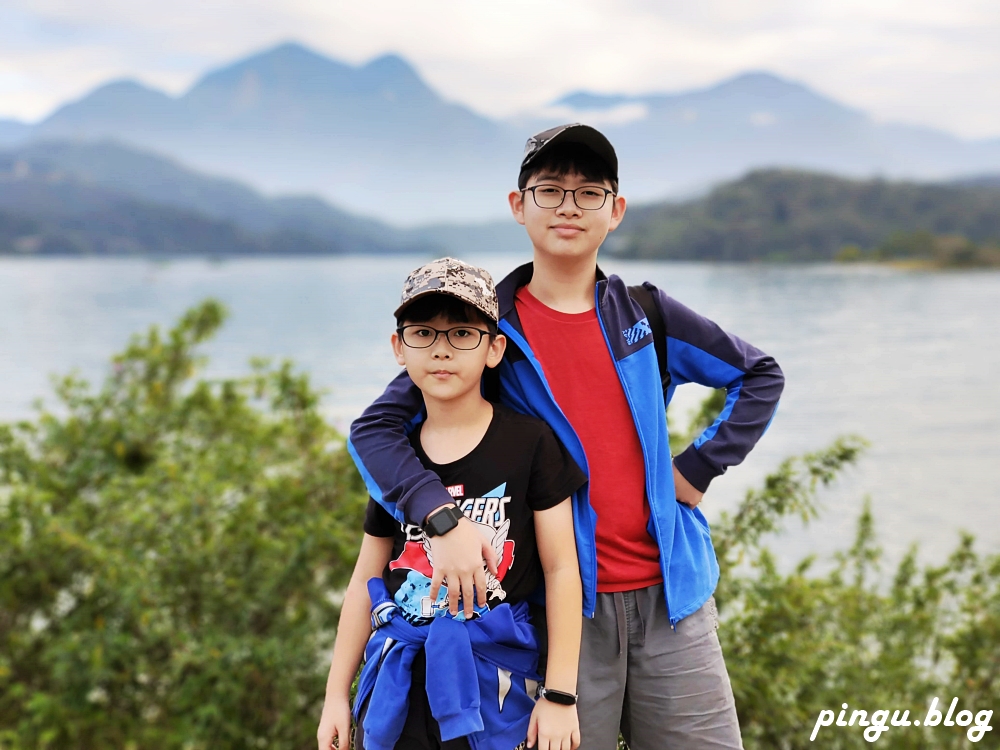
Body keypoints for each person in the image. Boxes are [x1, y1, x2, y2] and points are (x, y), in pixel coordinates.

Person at [349, 124, 785, 749]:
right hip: (560, 612)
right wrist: (440, 519)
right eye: (549, 190)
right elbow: (377, 429)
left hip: (672, 599)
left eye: (589, 193)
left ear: (616, 211)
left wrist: (697, 468)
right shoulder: (489, 329)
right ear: (518, 205)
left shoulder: (644, 315)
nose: (569, 208)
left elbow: (758, 374)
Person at [317, 258, 587, 750]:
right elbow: (365, 580)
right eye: (423, 333)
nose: (442, 350)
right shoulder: (398, 459)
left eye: (462, 333)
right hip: (397, 681)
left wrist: (560, 693)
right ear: (399, 348)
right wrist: (336, 693)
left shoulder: (529, 444)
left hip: (496, 684)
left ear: (494, 349)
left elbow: (562, 568)